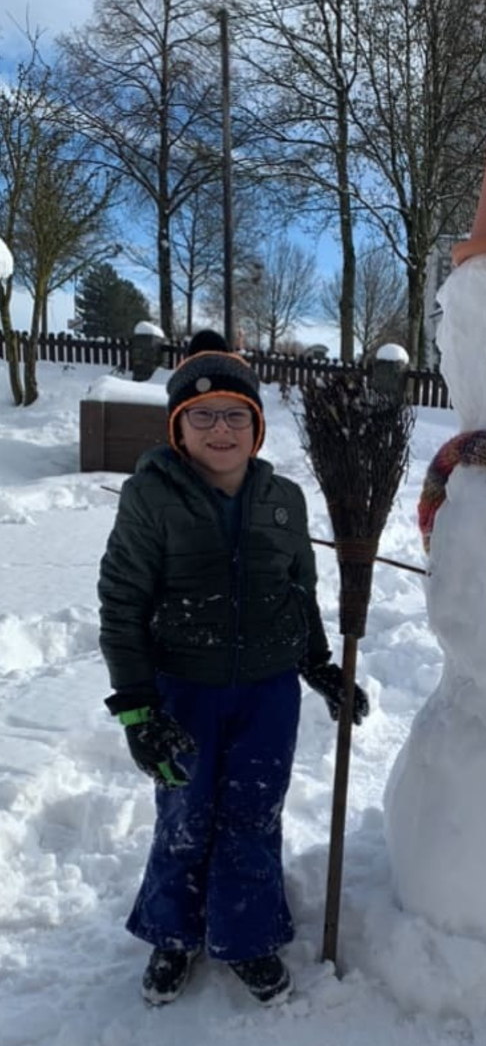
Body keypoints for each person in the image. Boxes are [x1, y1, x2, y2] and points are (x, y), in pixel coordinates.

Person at [98, 330, 368, 1007]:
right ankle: (174, 932)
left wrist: (319, 666)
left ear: (257, 426)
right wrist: (137, 709)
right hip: (183, 687)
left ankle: (247, 936)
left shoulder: (285, 500)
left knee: (253, 810)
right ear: (178, 428)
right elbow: (122, 599)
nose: (221, 429)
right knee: (185, 812)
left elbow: (298, 590)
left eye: (236, 415)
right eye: (203, 415)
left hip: (268, 691)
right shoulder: (151, 497)